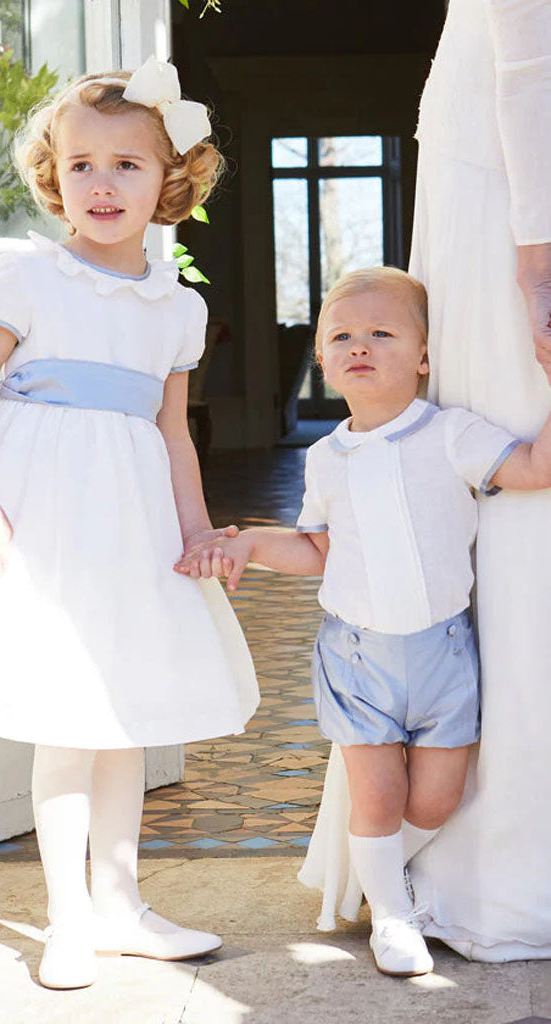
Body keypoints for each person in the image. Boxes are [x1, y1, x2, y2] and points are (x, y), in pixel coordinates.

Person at [0, 56, 258, 990]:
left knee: (122, 716)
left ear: (170, 181)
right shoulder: (28, 277)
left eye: (128, 165)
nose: (102, 183)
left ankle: (121, 905)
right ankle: (65, 920)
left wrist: (197, 532)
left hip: (131, 526)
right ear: (56, 177)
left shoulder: (177, 305)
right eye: (82, 164)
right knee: (64, 717)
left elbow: (172, 431)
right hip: (45, 520)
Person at [175, 266, 551, 976]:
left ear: (424, 357)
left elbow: (533, 467)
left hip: (443, 652)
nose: (360, 345)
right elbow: (318, 548)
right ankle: (394, 919)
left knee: (437, 799)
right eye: (342, 335)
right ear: (321, 358)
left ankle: (376, 875)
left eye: (382, 332)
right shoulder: (325, 458)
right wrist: (251, 544)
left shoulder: (449, 434)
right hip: (356, 655)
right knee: (377, 795)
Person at [404, 0, 551, 961]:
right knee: (520, 516)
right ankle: (506, 865)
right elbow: (529, 56)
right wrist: (538, 262)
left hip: (509, 164)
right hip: (514, 179)